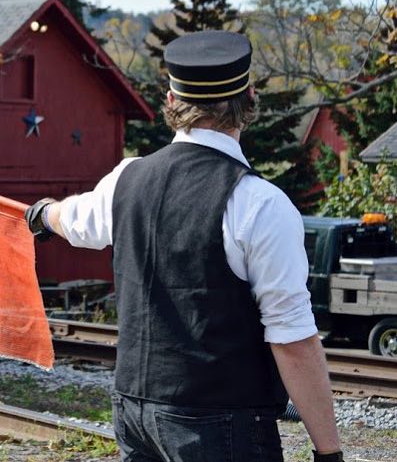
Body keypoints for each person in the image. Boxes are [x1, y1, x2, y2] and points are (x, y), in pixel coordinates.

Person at [24, 30, 342, 462]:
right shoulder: (260, 204)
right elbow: (292, 340)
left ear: (171, 101)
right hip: (220, 421)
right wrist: (329, 451)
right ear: (249, 99)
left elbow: (76, 221)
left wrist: (43, 214)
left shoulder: (126, 179)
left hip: (134, 408)